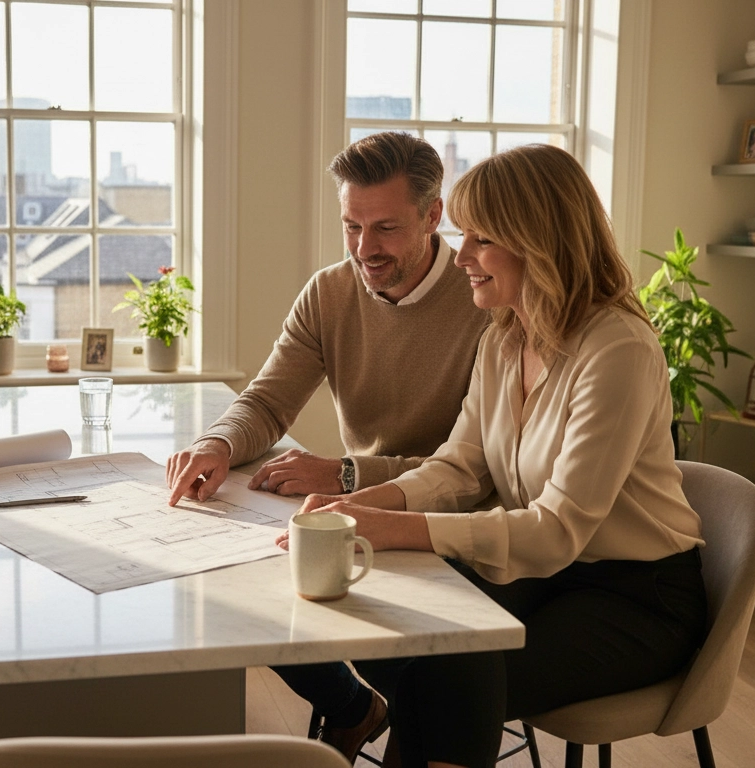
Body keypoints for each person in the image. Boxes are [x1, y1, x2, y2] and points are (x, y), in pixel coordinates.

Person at [286, 144, 710, 768]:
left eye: (480, 240)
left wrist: (397, 528)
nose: (460, 257)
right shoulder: (506, 340)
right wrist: (356, 507)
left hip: (636, 598)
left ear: (538, 241)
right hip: (548, 577)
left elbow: (559, 530)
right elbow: (458, 468)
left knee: (450, 673)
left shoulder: (617, 348)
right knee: (409, 638)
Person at [165, 132, 490, 760]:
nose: (364, 248)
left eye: (386, 229)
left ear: (432, 215)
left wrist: (347, 473)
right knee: (225, 583)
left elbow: (477, 469)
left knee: (428, 676)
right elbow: (264, 402)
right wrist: (218, 444)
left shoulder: (482, 301)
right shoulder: (329, 292)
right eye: (351, 226)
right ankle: (351, 705)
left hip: (447, 524)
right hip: (361, 517)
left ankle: (404, 713)